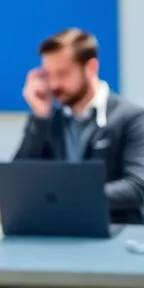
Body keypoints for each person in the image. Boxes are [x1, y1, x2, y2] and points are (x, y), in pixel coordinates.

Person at [16, 27, 144, 224]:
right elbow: (18, 181)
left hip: (115, 237)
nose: (54, 84)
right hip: (60, 236)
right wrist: (40, 118)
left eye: (63, 73)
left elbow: (137, 187)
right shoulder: (51, 121)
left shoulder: (132, 118)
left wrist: (67, 197)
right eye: (48, 75)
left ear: (91, 67)